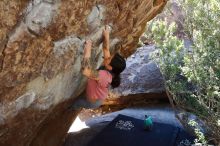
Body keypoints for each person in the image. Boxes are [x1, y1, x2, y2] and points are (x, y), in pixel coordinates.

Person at [69, 26, 126, 110]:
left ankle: (71, 109)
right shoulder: (111, 68)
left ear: (110, 67)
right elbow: (106, 49)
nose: (107, 57)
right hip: (98, 94)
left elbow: (85, 71)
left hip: (92, 103)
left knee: (78, 102)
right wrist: (106, 35)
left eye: (109, 58)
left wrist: (87, 50)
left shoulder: (105, 76)